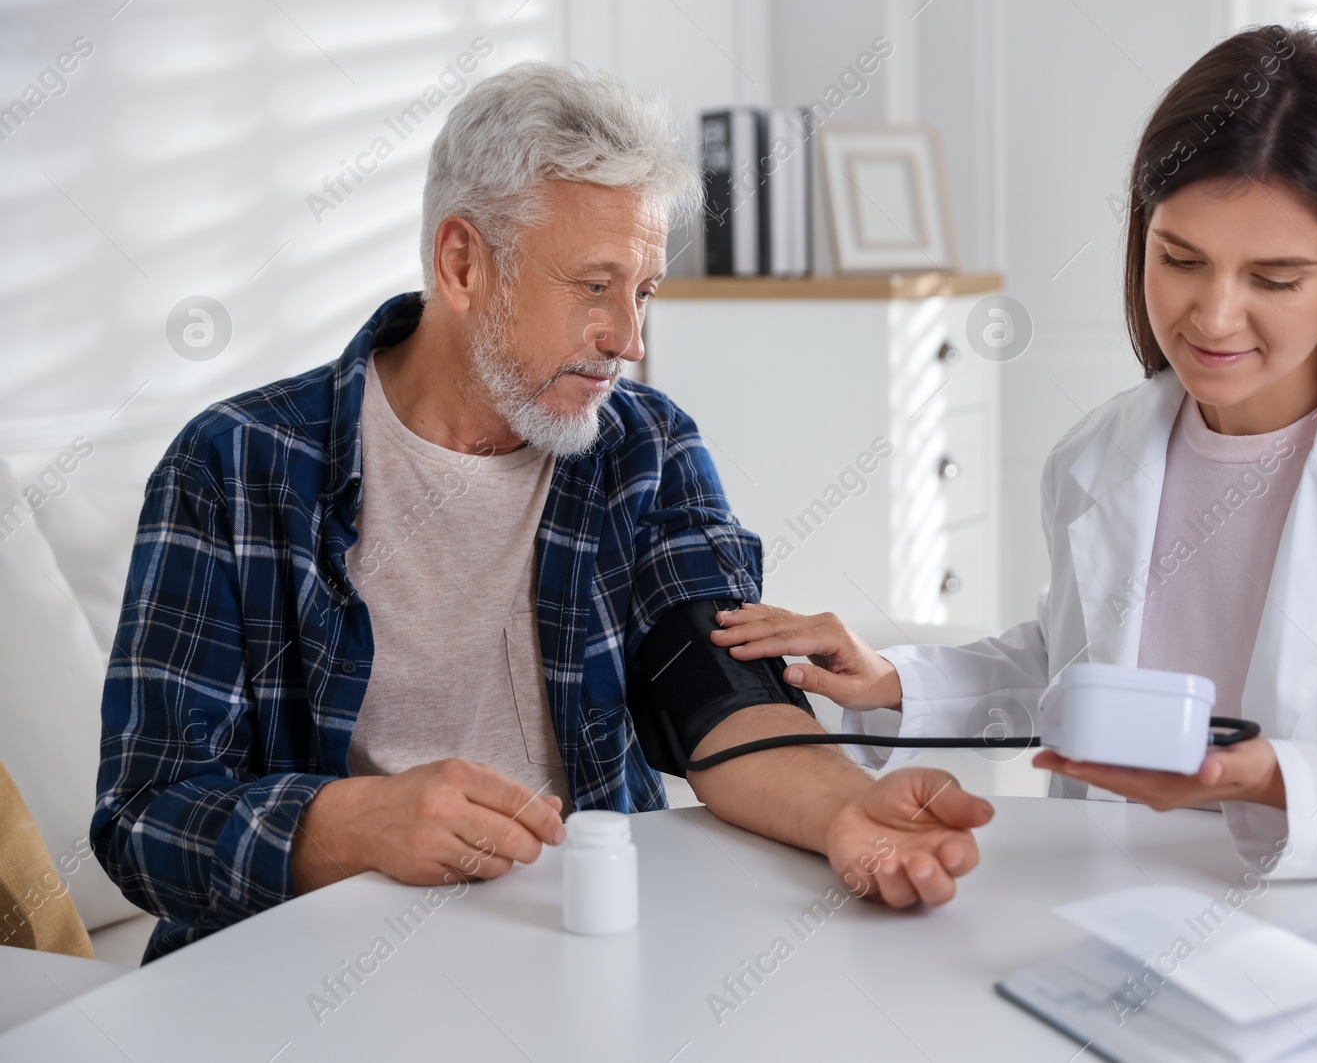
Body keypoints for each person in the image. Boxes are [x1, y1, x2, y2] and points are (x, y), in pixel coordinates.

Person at [91, 63, 991, 963]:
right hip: (310, 969)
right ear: (462, 262)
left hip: (581, 942)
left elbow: (718, 694)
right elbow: (142, 813)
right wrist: (350, 823)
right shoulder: (235, 464)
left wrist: (845, 804)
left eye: (642, 292)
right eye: (595, 286)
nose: (629, 341)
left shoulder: (647, 448)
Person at [713, 25, 1317, 886]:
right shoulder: (1098, 454)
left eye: (1275, 279)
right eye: (1179, 258)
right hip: (1110, 915)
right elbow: (1075, 665)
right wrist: (894, 677)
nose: (1212, 318)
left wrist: (1274, 778)